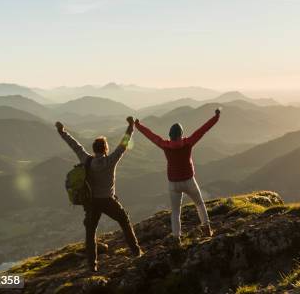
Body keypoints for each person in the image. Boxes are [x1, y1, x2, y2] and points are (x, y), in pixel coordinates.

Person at [55, 117, 142, 272]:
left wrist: (62, 132)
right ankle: (136, 252)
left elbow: (75, 146)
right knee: (124, 220)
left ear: (94, 149)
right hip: (108, 201)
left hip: (91, 202)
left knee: (90, 232)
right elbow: (124, 144)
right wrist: (131, 126)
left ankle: (92, 265)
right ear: (105, 149)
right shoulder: (111, 160)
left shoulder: (86, 160)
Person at [135, 108, 221, 243]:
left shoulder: (165, 145)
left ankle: (176, 238)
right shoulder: (188, 142)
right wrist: (216, 117)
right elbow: (203, 130)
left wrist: (138, 125)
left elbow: (150, 135)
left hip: (173, 184)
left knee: (175, 212)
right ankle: (206, 228)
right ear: (181, 134)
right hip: (189, 180)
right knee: (199, 204)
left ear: (170, 135)